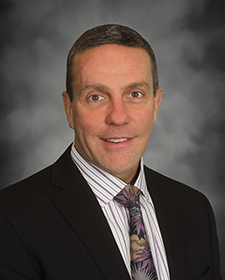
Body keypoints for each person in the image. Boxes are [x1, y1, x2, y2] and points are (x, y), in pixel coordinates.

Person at [0, 24, 221, 280]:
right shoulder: (10, 218)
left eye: (135, 94)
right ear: (69, 109)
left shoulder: (195, 210)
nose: (118, 117)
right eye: (96, 97)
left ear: (156, 104)